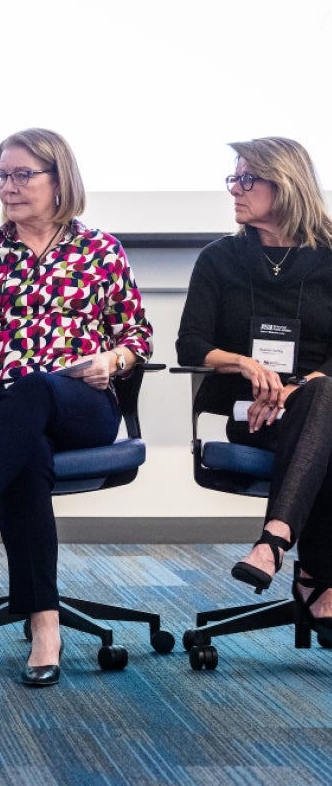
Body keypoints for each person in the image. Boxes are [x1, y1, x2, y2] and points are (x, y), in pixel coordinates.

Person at [0, 128, 153, 687]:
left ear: (59, 180)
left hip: (80, 403)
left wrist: (112, 360)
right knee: (25, 448)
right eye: (2, 177)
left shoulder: (99, 250)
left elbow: (137, 335)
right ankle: (45, 624)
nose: (8, 188)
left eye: (22, 176)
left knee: (36, 389)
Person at [176, 136, 332, 642]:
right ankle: (316, 581)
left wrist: (301, 386)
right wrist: (245, 364)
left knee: (322, 399)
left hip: (317, 400)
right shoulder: (219, 259)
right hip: (250, 410)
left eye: (247, 179)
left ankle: (274, 542)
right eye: (233, 178)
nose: (235, 190)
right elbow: (190, 346)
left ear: (284, 185)